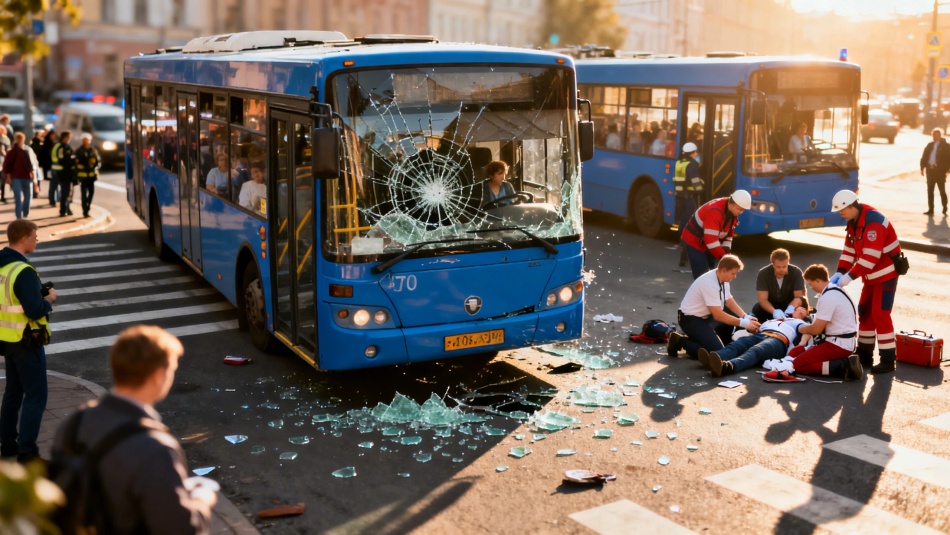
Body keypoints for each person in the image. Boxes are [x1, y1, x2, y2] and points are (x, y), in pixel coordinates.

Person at [50, 325, 215, 534]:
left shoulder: (74, 423)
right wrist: (202, 500)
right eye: (172, 369)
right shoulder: (155, 449)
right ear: (158, 376)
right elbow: (182, 528)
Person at [0, 219, 57, 463]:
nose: (36, 240)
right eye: (35, 236)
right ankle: (27, 452)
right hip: (27, 340)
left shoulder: (3, 266)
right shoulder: (22, 271)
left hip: (7, 339)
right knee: (36, 395)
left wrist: (36, 293)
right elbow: (34, 310)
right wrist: (49, 300)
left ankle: (8, 444)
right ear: (23, 238)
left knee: (13, 392)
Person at [829, 189, 902, 374]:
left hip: (886, 275)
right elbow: (848, 252)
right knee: (865, 312)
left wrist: (848, 277)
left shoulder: (874, 221)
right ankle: (865, 354)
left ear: (851, 206)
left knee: (880, 313)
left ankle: (887, 359)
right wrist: (839, 272)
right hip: (871, 277)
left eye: (842, 210)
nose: (840, 214)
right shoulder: (853, 223)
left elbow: (871, 257)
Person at [767, 263, 864, 381]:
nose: (811, 287)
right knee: (799, 352)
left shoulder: (828, 297)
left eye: (811, 284)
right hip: (843, 341)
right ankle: (840, 363)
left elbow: (816, 329)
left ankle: (843, 366)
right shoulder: (836, 290)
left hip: (838, 344)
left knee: (799, 364)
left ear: (818, 280)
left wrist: (799, 327)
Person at [667, 254, 761, 360]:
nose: (734, 277)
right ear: (724, 270)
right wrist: (745, 324)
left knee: (724, 341)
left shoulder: (722, 278)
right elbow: (718, 315)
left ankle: (716, 340)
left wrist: (745, 316)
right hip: (690, 319)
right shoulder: (709, 283)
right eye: (733, 273)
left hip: (706, 316)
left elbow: (729, 301)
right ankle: (679, 340)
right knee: (716, 353)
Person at [700, 296, 810, 377]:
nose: (801, 309)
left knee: (756, 350)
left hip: (779, 340)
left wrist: (801, 344)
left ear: (807, 314)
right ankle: (714, 358)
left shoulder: (801, 323)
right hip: (762, 334)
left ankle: (729, 366)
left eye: (804, 310)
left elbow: (808, 331)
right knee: (739, 344)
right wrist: (750, 326)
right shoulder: (777, 318)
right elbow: (754, 329)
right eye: (799, 308)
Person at [680, 190, 752, 279]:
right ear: (732, 204)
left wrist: (727, 254)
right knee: (702, 276)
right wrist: (724, 257)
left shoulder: (732, 212)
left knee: (712, 273)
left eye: (743, 210)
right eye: (740, 209)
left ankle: (709, 291)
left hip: (707, 242)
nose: (741, 212)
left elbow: (728, 236)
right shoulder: (715, 211)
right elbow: (710, 240)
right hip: (695, 242)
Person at [751, 248, 806, 323]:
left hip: (791, 306)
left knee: (802, 312)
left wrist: (790, 308)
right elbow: (762, 299)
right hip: (771, 306)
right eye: (778, 267)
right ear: (773, 265)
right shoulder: (763, 273)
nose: (782, 269)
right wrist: (774, 311)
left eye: (784, 266)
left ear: (788, 262)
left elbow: (799, 297)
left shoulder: (796, 272)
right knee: (757, 308)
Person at [674, 142, 703, 268]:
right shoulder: (692, 165)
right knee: (690, 225)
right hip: (688, 199)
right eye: (695, 152)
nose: (696, 154)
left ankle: (682, 245)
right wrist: (702, 189)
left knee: (683, 222)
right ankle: (685, 252)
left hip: (679, 198)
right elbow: (696, 184)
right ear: (693, 153)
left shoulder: (679, 163)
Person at [2, 133, 37, 219]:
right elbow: (7, 166)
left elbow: (31, 165)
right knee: (22, 197)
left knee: (23, 197)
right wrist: (9, 176)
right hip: (20, 177)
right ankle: (21, 215)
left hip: (21, 177)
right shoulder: (16, 152)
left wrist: (33, 175)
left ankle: (22, 214)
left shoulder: (23, 151)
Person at [919, 127, 950, 215]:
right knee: (930, 190)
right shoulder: (930, 145)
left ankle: (944, 207)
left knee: (942, 190)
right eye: (933, 135)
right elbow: (924, 157)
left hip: (940, 171)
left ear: (940, 136)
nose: (934, 136)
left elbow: (948, 159)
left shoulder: (946, 146)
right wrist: (922, 168)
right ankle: (931, 209)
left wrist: (947, 169)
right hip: (930, 171)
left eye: (936, 135)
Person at [75, 133, 101, 218]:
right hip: (83, 177)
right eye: (85, 140)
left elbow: (98, 161)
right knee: (83, 194)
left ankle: (88, 207)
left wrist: (96, 167)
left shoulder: (93, 150)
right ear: (83, 141)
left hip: (91, 177)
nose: (86, 141)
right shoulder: (79, 151)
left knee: (91, 193)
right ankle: (85, 210)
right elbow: (75, 162)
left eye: (88, 140)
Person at [53, 131, 76, 216]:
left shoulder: (66, 146)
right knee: (65, 192)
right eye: (68, 137)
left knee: (67, 192)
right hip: (64, 173)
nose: (69, 139)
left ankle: (67, 209)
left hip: (67, 173)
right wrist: (72, 160)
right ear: (64, 137)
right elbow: (62, 159)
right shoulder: (62, 147)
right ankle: (63, 210)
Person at [40, 128, 58, 206]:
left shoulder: (52, 143)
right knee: (53, 184)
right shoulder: (48, 144)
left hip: (51, 166)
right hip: (49, 166)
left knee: (54, 184)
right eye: (53, 135)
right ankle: (53, 200)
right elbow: (45, 156)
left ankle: (54, 199)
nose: (54, 137)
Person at [0, 125, 10, 204]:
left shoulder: (5, 139)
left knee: (3, 180)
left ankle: (2, 196)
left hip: (3, 162)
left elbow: (8, 151)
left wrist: (4, 152)